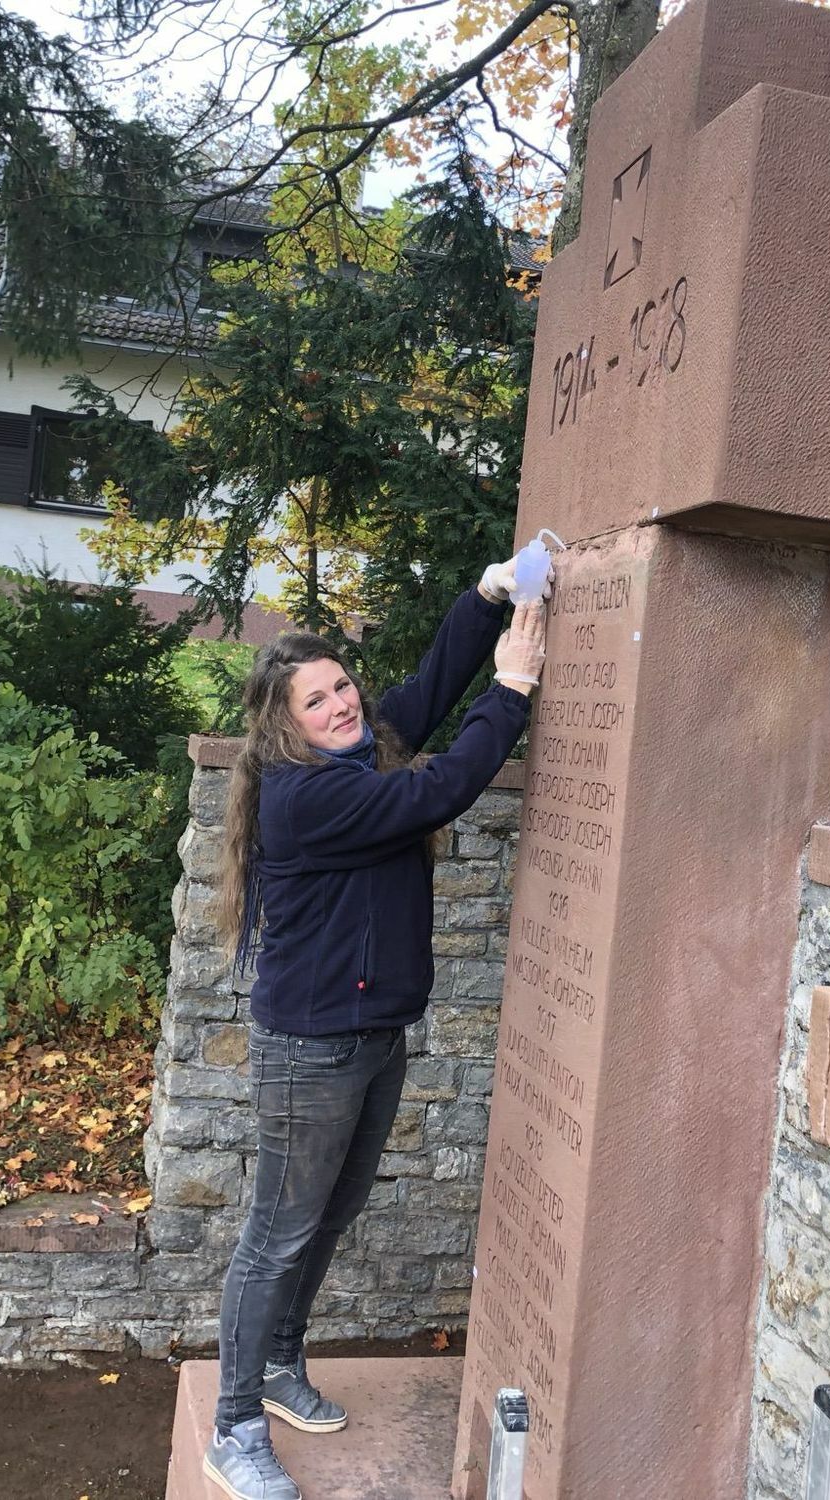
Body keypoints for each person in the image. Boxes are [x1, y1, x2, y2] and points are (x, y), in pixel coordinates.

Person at [202, 554, 549, 1500]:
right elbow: (440, 790)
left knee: (329, 1213)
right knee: (277, 1234)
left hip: (374, 1034)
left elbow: (428, 690)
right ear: (286, 724)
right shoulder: (309, 795)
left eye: (342, 686)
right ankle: (234, 1426)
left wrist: (484, 598)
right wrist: (512, 690)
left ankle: (278, 1362)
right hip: (310, 1049)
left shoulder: (359, 752)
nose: (341, 705)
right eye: (316, 701)